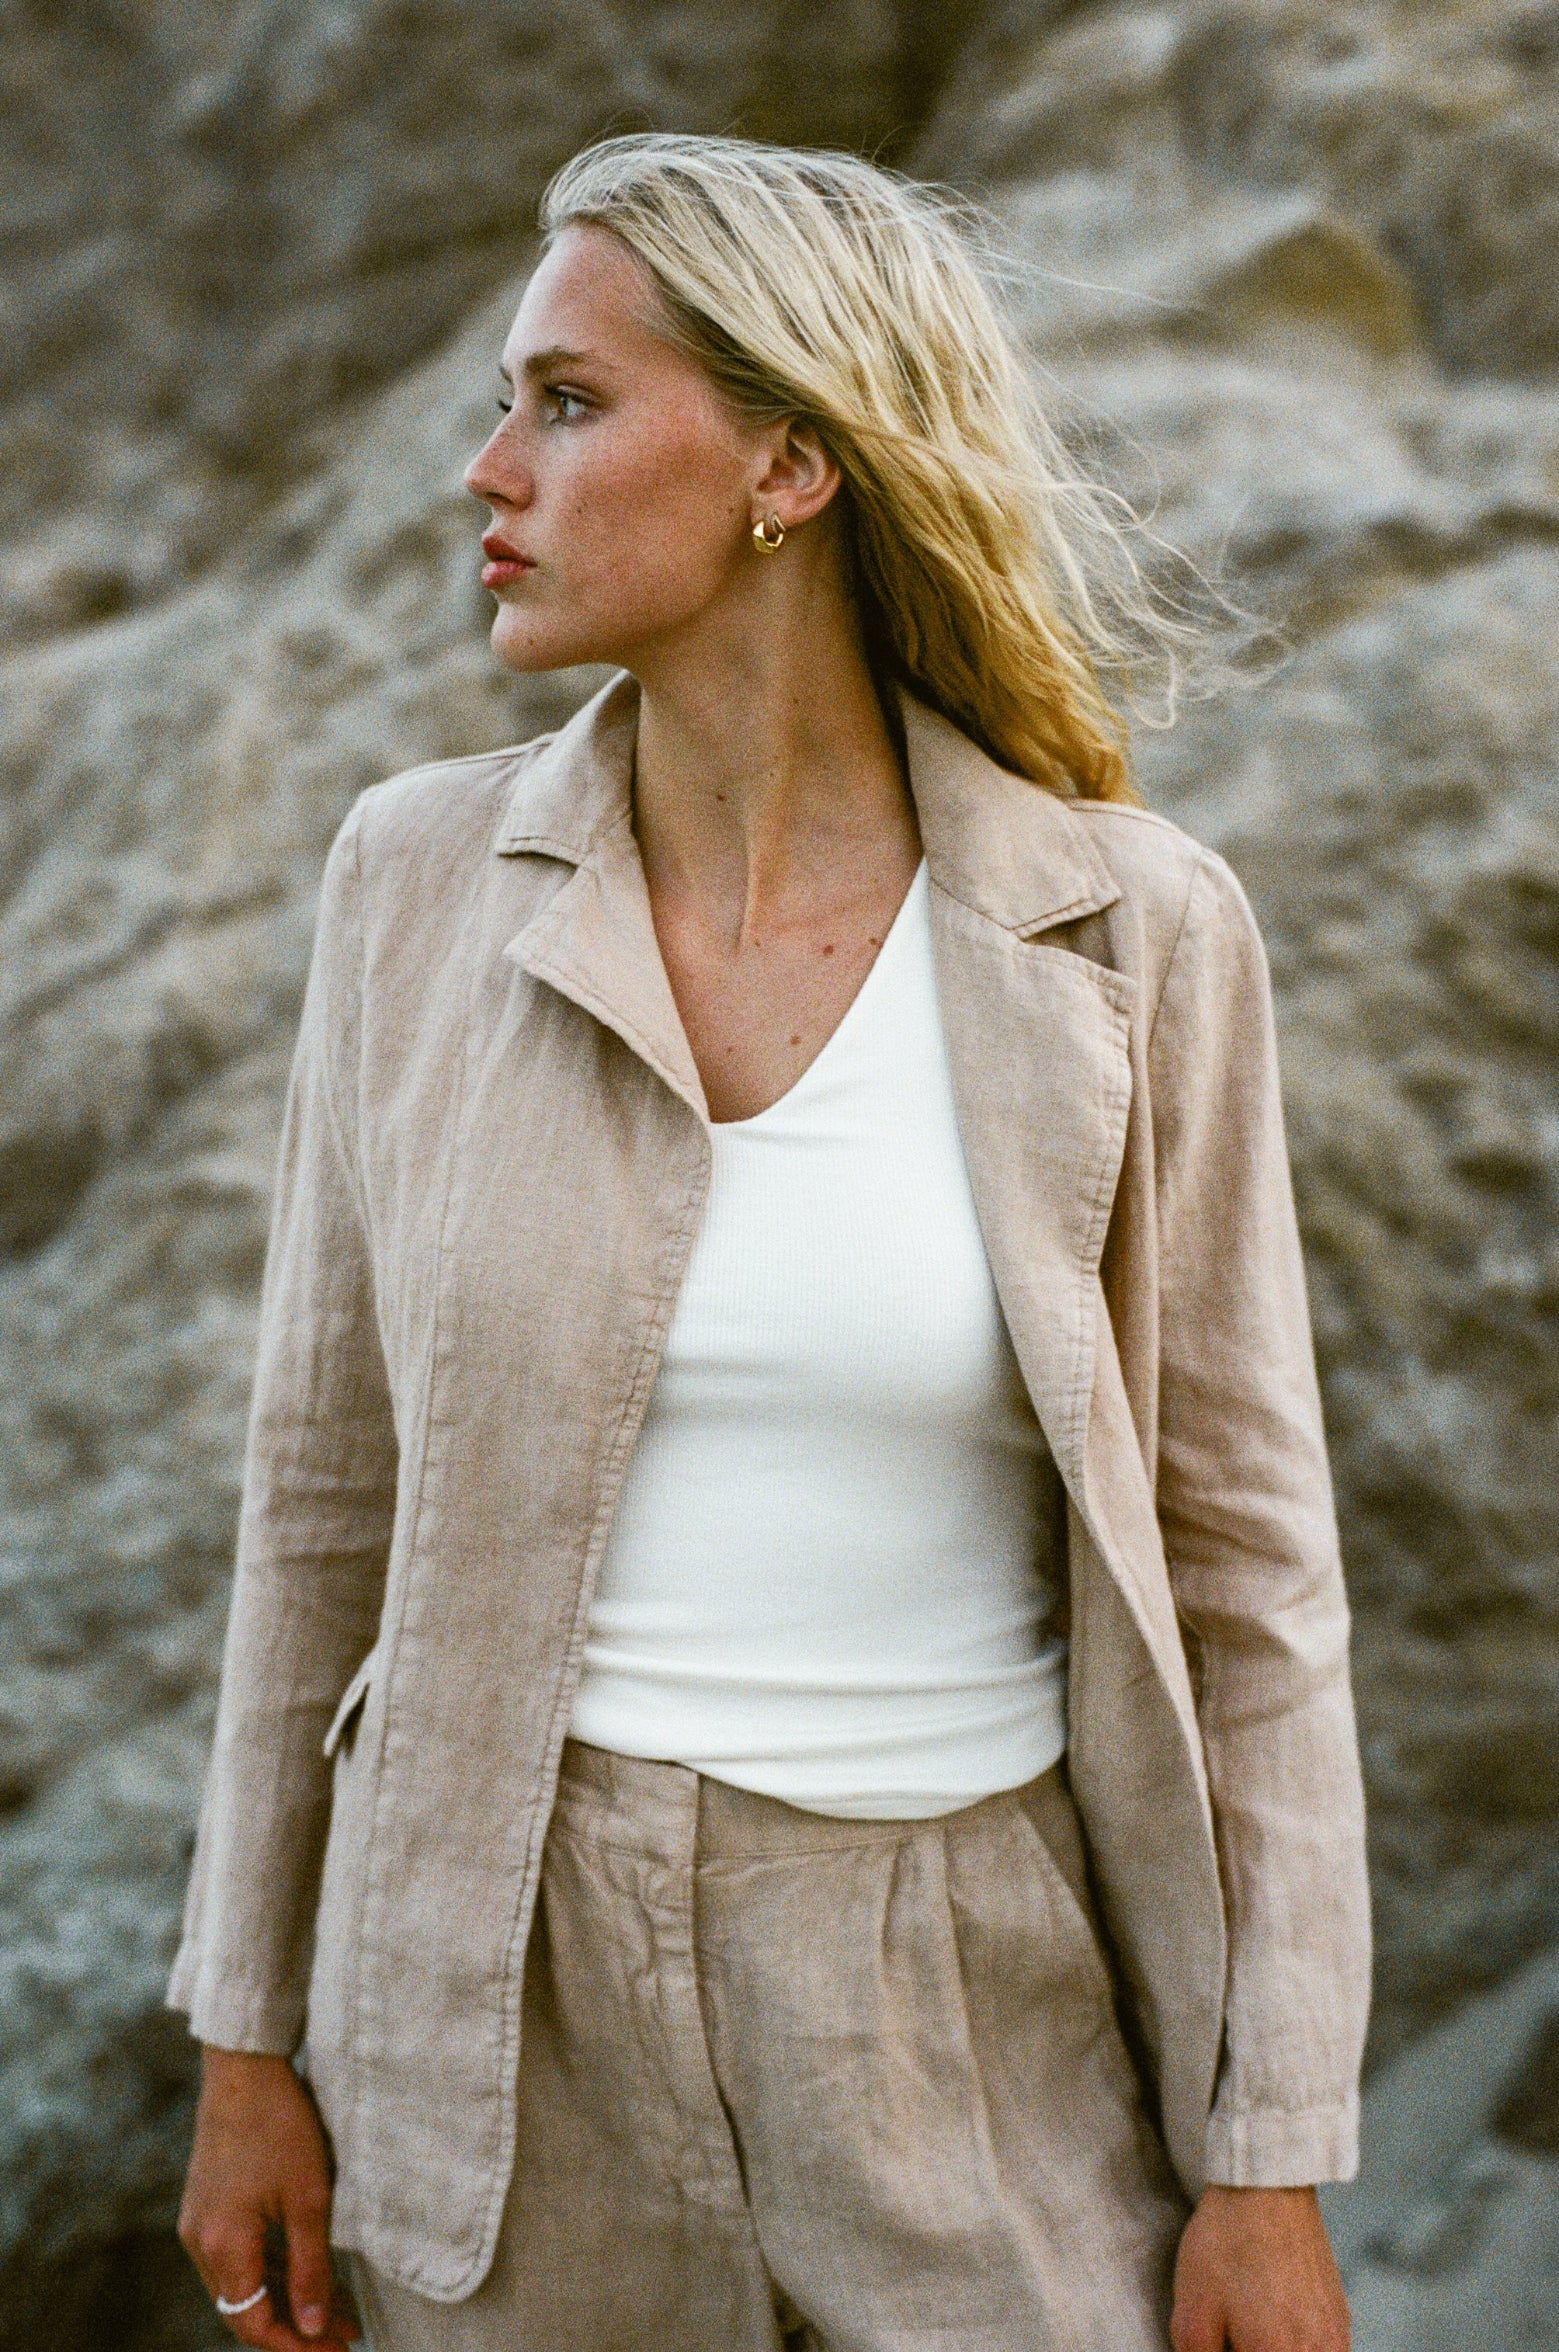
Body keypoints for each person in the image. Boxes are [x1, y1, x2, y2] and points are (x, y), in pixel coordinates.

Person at [171, 133, 1370, 2352]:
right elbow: (318, 1490)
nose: (483, 471)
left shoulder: (1129, 931)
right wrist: (249, 2040)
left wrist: (1269, 2161)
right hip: (492, 2016)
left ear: (790, 466)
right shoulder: (413, 883)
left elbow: (1249, 1584)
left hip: (971, 2013)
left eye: (565, 399)